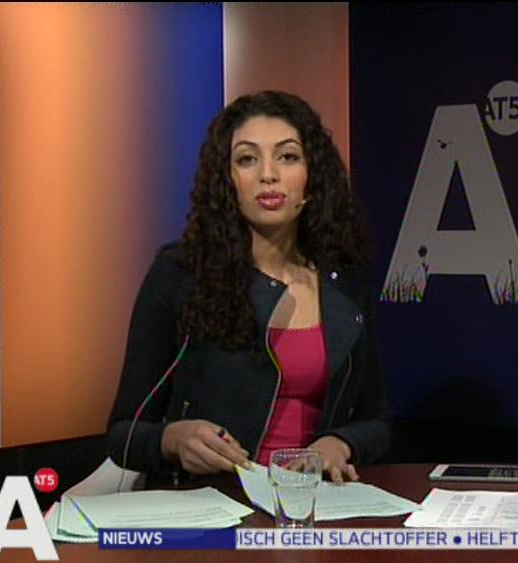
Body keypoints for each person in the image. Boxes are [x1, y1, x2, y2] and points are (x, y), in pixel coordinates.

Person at [106, 91, 390, 485]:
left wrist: (341, 443)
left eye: (287, 156)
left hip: (314, 500)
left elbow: (377, 420)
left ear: (312, 176)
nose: (268, 174)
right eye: (247, 159)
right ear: (227, 180)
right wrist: (172, 439)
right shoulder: (181, 274)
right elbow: (123, 436)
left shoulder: (344, 277)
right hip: (211, 501)